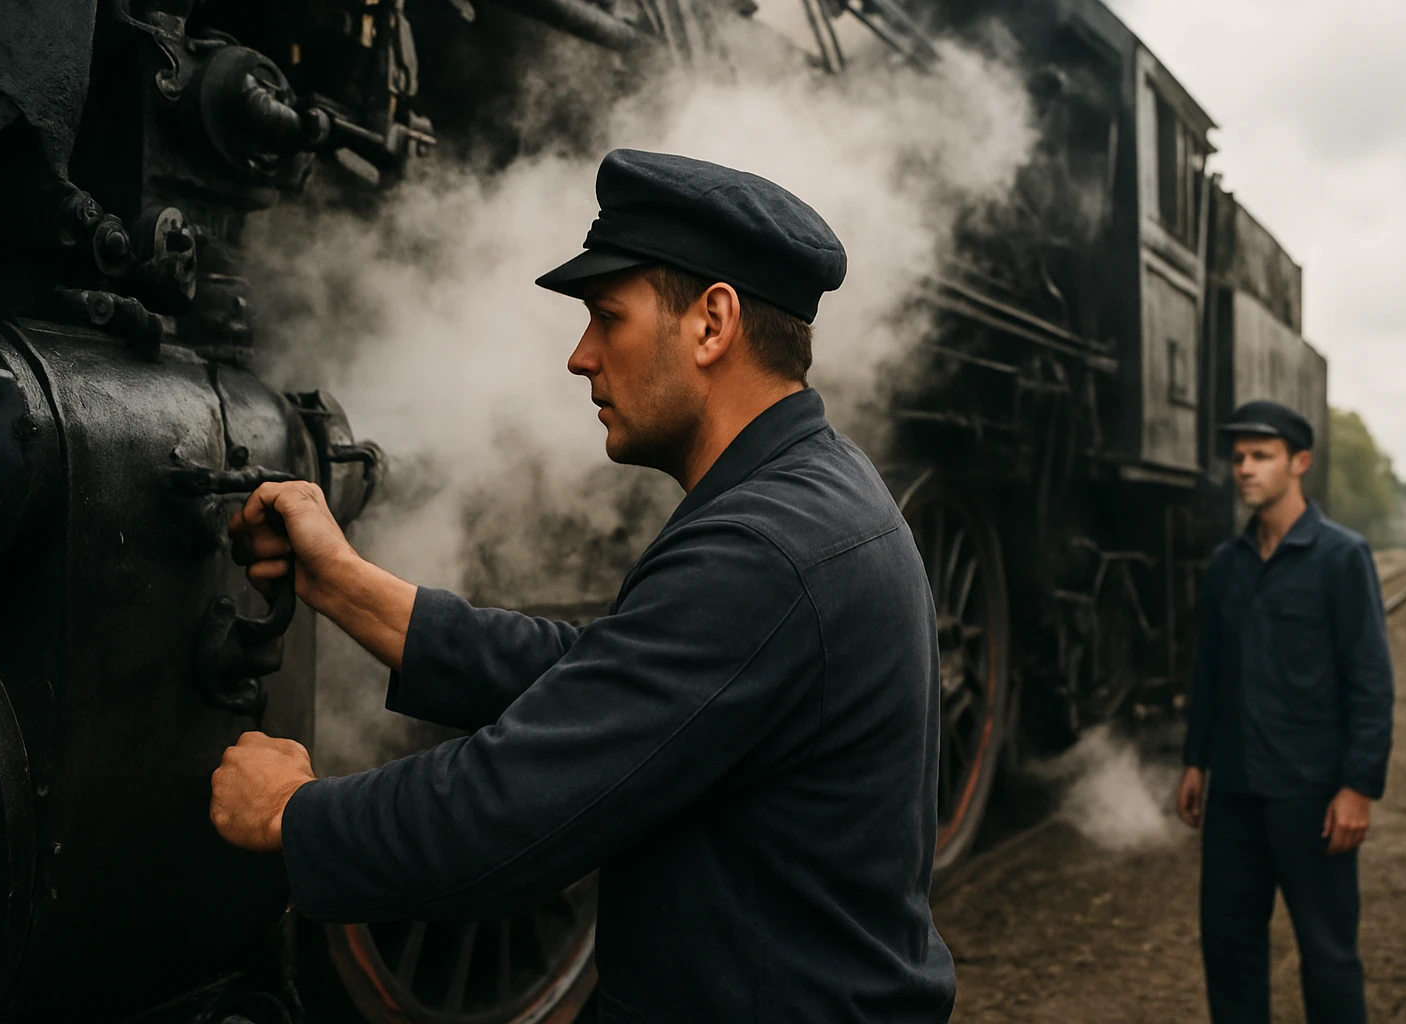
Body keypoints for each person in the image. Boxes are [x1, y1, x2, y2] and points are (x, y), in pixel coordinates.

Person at [210, 149, 957, 1022]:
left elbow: (512, 811)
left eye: (609, 316)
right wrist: (344, 585)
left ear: (712, 324)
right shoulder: (816, 489)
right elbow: (614, 679)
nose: (580, 356)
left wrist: (293, 818)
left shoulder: (764, 549)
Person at [1176, 399, 1394, 1024]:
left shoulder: (1341, 558)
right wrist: (1196, 761)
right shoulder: (1226, 566)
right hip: (1236, 800)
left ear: (1300, 463)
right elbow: (1211, 674)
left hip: (1313, 798)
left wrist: (1358, 788)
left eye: (1261, 456)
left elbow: (1371, 682)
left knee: (1328, 958)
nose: (1245, 468)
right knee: (1230, 953)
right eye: (1239, 457)